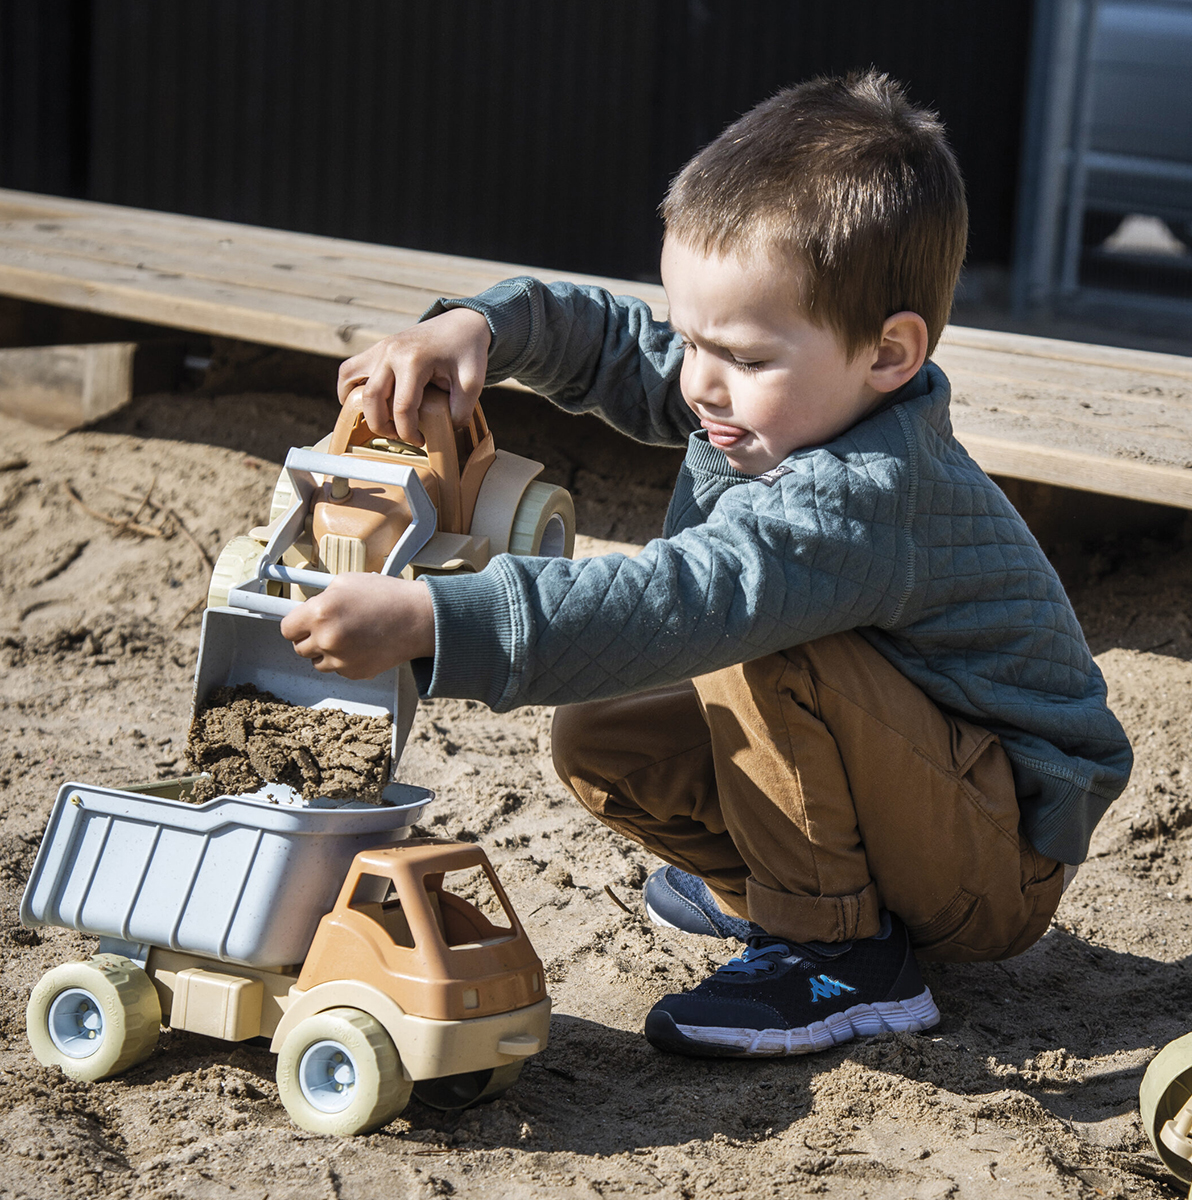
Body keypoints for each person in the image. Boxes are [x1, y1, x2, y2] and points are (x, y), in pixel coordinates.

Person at [281, 71, 1132, 1058]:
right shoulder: (771, 389)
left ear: (889, 355)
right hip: (918, 794)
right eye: (691, 338)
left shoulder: (861, 494)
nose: (698, 382)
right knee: (604, 734)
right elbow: (610, 343)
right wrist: (480, 328)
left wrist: (440, 620)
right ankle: (778, 890)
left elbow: (680, 601)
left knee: (760, 637)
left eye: (743, 356)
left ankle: (840, 953)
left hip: (999, 851)